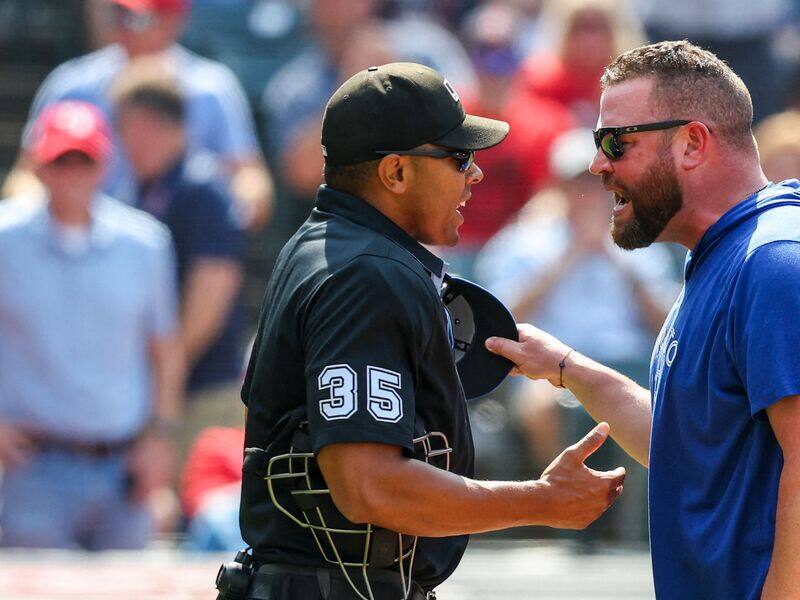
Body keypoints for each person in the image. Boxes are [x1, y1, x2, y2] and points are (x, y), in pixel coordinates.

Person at [232, 63, 626, 600]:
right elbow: (368, 485)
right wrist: (540, 500)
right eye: (457, 157)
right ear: (395, 173)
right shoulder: (365, 275)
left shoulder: (326, 246)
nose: (476, 175)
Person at [486, 41, 800, 598]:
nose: (597, 164)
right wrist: (566, 367)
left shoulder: (773, 260)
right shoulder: (721, 255)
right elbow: (688, 443)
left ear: (691, 142)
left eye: (616, 142)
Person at [0, 100, 182, 549]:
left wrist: (160, 437)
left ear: (105, 165)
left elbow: (165, 348)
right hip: (33, 467)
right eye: (62, 161)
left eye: (84, 161)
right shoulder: (5, 240)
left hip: (123, 467)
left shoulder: (145, 244)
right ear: (40, 167)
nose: (73, 174)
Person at [3, 0, 273, 230]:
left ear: (174, 21)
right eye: (118, 15)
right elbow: (26, 175)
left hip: (183, 246)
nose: (123, 27)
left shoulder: (212, 87)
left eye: (138, 19)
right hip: (82, 244)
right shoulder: (71, 83)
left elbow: (249, 179)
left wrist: (222, 215)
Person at [113, 60, 246, 464]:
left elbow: (212, 293)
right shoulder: (144, 189)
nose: (122, 140)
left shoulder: (203, 188)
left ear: (146, 123)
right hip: (162, 390)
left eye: (125, 126)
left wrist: (164, 377)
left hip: (202, 391)